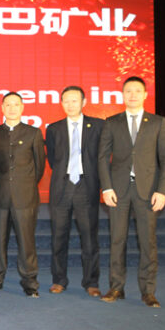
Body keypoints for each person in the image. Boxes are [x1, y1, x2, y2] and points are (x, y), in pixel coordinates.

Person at [98, 76, 165, 308]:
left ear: (145, 94)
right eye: (128, 91)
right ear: (122, 94)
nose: (132, 95)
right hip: (118, 191)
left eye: (137, 91)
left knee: (147, 242)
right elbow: (102, 157)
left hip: (148, 191)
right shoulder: (112, 122)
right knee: (117, 240)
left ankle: (148, 291)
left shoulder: (158, 122)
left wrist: (162, 191)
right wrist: (106, 187)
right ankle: (116, 287)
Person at [0, 92, 45, 297]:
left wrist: (23, 184)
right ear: (2, 108)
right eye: (8, 105)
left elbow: (39, 167)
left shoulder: (33, 133)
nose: (12, 108)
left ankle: (30, 283)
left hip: (25, 196)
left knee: (26, 242)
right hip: (0, 195)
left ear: (22, 107)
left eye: (16, 104)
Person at [45, 86, 104, 297]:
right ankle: (59, 280)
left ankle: (91, 282)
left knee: (89, 238)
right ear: (61, 103)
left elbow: (102, 156)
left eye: (74, 100)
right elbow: (53, 159)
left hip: (86, 186)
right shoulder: (54, 129)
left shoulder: (98, 126)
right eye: (66, 101)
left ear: (83, 102)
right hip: (62, 186)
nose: (70, 105)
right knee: (58, 237)